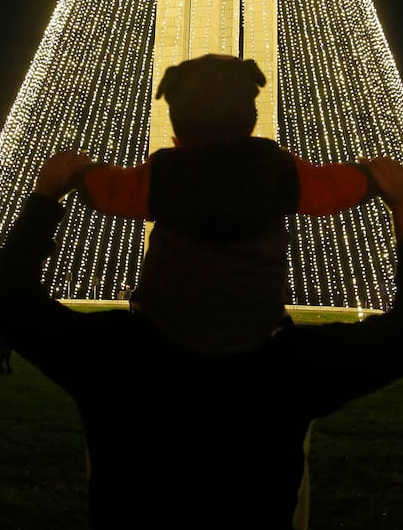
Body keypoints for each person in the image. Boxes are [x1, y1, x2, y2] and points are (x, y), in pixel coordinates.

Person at [0, 149, 403, 530]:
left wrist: (45, 198)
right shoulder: (290, 367)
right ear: (270, 258)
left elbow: (7, 300)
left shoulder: (117, 357)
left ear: (162, 249)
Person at [46, 54, 383, 353]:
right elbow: (328, 189)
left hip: (167, 327)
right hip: (256, 326)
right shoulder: (275, 166)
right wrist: (369, 176)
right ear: (250, 119)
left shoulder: (165, 171)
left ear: (178, 124)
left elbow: (115, 191)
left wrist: (82, 172)